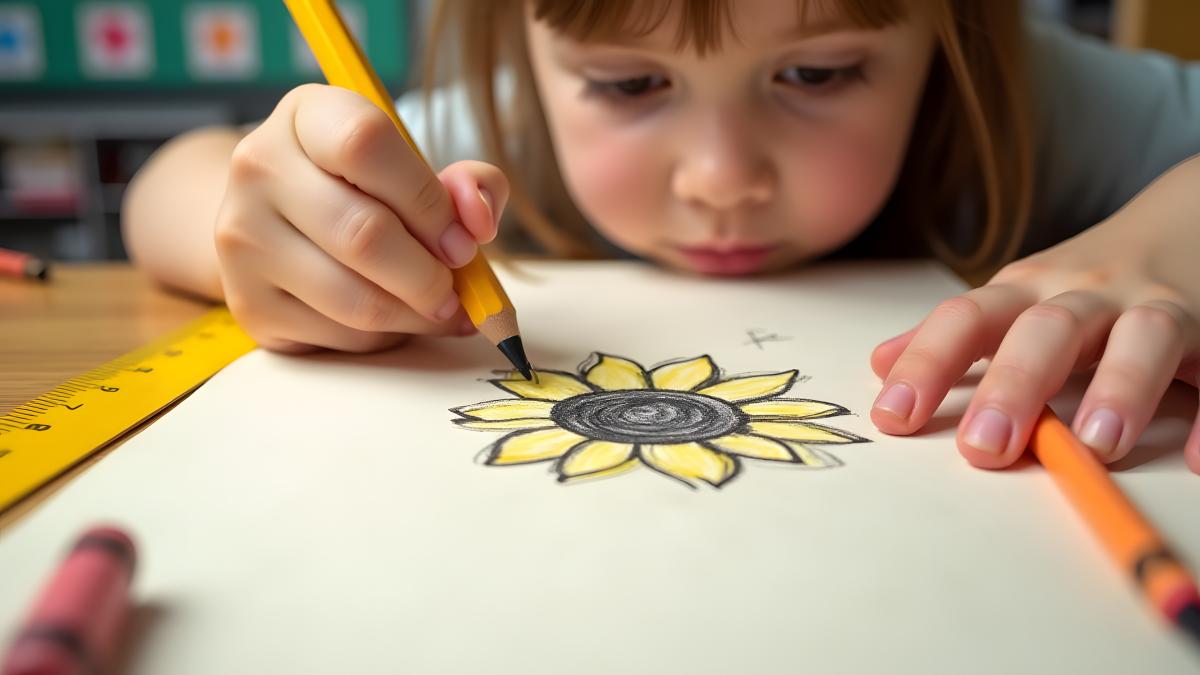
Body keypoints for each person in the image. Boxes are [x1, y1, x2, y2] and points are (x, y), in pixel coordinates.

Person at [122, 0, 1200, 473]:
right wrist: (260, 224)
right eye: (629, 85)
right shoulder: (493, 134)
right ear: (523, 43)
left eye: (816, 73)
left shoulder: (1034, 103)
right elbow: (168, 184)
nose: (719, 178)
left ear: (951, 33)